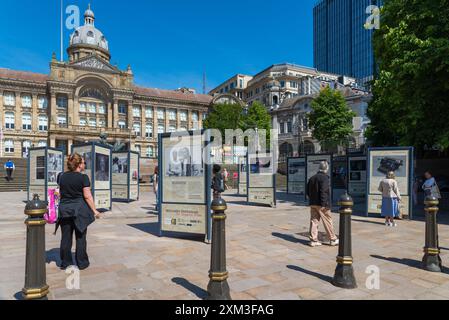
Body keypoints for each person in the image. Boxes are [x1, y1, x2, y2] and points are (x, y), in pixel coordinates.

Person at [57, 153, 101, 270]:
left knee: (66, 237)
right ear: (79, 165)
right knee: (80, 237)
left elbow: (61, 193)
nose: (84, 164)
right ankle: (82, 262)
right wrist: (95, 210)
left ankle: (66, 262)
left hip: (64, 210)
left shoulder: (61, 176)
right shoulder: (83, 178)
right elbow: (87, 196)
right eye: (83, 162)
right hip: (78, 211)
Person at [306, 161, 339, 247]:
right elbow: (324, 191)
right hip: (322, 204)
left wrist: (312, 199)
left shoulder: (312, 178)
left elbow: (307, 191)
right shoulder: (324, 178)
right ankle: (333, 239)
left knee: (314, 221)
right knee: (327, 221)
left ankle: (313, 240)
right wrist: (324, 204)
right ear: (326, 169)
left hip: (313, 203)